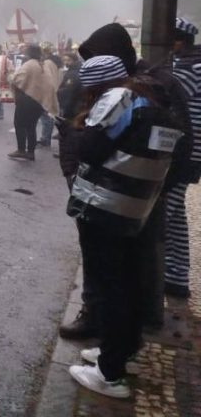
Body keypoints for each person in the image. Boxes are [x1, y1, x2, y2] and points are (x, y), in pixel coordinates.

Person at [66, 55, 181, 399]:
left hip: (104, 207)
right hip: (135, 209)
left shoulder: (117, 99)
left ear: (97, 85)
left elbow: (90, 150)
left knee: (110, 288)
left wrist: (74, 131)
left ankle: (109, 374)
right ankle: (119, 351)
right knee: (128, 283)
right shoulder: (153, 102)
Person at [58, 22, 140, 340]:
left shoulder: (122, 95)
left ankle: (107, 336)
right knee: (109, 266)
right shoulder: (127, 91)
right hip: (105, 192)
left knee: (110, 268)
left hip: (112, 196)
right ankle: (110, 328)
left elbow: (91, 147)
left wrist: (74, 140)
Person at [165, 16, 201, 298]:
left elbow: (165, 97)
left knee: (160, 213)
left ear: (179, 41)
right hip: (189, 154)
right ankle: (176, 277)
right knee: (175, 217)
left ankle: (151, 274)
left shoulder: (192, 69)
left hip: (185, 155)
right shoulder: (188, 65)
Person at [9, 44, 52, 161]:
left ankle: (21, 150)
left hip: (26, 99)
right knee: (31, 126)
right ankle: (31, 152)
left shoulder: (29, 64)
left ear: (29, 52)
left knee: (19, 124)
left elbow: (17, 79)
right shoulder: (43, 65)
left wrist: (11, 79)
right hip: (39, 100)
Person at [37, 43, 62, 150]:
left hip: (47, 92)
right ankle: (46, 138)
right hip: (55, 90)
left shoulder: (47, 63)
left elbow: (46, 78)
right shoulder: (56, 62)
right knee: (50, 116)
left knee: (46, 117)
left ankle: (45, 139)